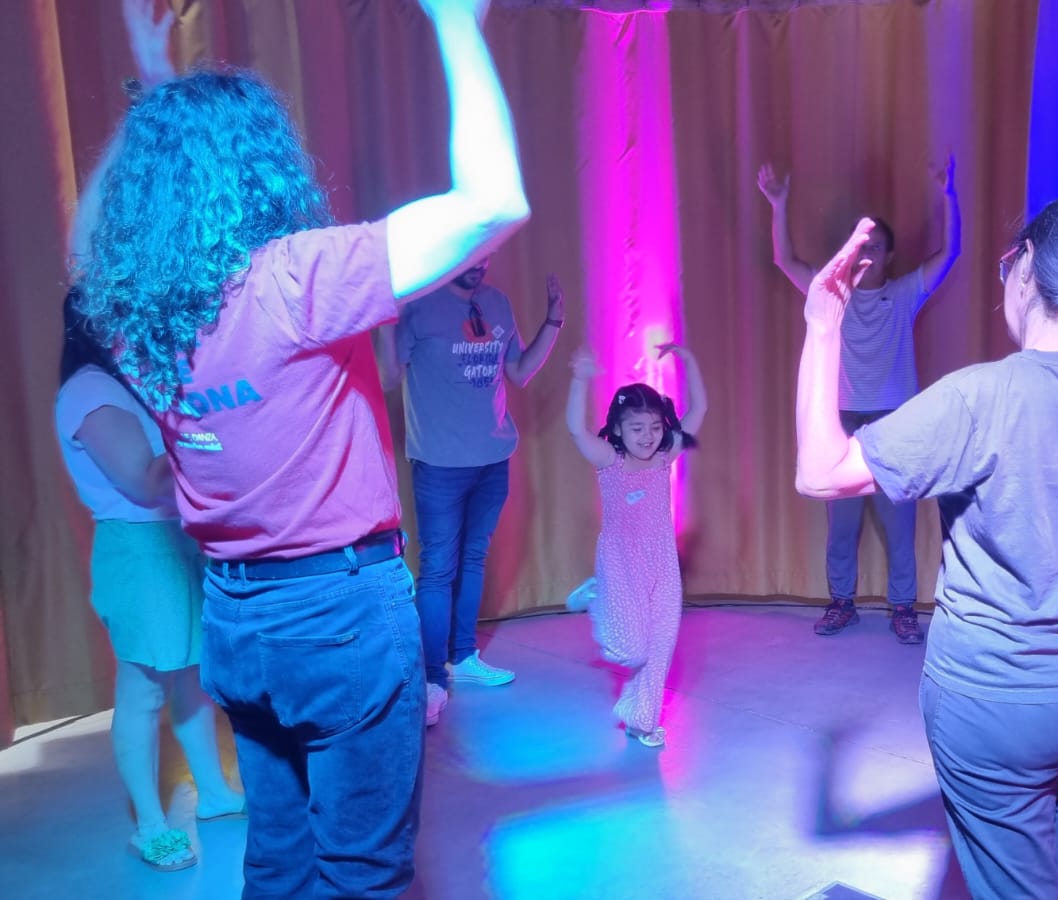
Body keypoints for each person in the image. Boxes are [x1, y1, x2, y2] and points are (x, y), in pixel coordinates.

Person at [74, 0, 529, 894]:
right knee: (364, 873)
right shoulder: (292, 280)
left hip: (236, 621)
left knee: (278, 860)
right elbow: (494, 203)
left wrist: (156, 100)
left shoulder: (135, 319)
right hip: (339, 615)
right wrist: (455, 24)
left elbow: (96, 247)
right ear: (259, 167)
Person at [795, 196, 1058, 899]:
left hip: (1002, 701)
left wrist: (823, 325)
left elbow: (821, 472)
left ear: (1026, 270)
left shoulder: (980, 396)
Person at [55, 294, 248, 872]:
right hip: (139, 551)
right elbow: (142, 480)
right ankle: (149, 825)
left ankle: (213, 794)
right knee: (142, 691)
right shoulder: (90, 390)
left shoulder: (130, 382)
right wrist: (210, 426)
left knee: (192, 679)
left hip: (173, 541)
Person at [758, 156, 961, 643]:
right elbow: (785, 261)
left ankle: (903, 608)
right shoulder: (831, 293)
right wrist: (778, 205)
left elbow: (950, 253)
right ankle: (842, 603)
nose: (867, 252)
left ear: (889, 256)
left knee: (900, 525)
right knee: (841, 525)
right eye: (861, 245)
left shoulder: (906, 292)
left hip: (895, 421)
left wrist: (948, 195)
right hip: (843, 422)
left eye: (876, 246)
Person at [376, 264, 565, 727]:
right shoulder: (419, 305)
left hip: (493, 458)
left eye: (484, 258)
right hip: (439, 462)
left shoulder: (497, 303)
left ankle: (463, 658)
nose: (477, 266)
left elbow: (519, 372)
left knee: (473, 559)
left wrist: (554, 321)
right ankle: (430, 679)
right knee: (439, 569)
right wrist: (384, 319)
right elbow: (389, 377)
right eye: (469, 259)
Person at [566, 343, 707, 748]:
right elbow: (576, 429)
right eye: (637, 428)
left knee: (659, 648)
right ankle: (598, 596)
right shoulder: (607, 459)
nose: (647, 437)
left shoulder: (664, 457)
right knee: (630, 652)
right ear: (618, 430)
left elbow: (699, 409)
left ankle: (642, 720)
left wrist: (688, 360)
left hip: (662, 562)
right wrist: (579, 380)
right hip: (620, 563)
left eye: (654, 427)